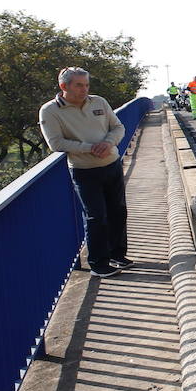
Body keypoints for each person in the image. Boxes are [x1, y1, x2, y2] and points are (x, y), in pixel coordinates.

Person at [39, 67, 130, 277]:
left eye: (87, 84)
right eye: (79, 85)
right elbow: (55, 143)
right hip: (84, 170)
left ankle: (118, 254)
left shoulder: (98, 102)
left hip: (112, 164)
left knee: (118, 211)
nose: (84, 89)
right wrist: (90, 148)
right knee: (96, 217)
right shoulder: (50, 110)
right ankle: (98, 264)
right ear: (64, 86)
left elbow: (118, 127)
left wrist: (108, 142)